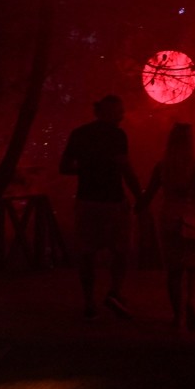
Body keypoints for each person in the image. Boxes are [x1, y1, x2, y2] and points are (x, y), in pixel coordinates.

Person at [59, 94, 143, 321]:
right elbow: (126, 170)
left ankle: (89, 301)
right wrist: (140, 196)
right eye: (118, 111)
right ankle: (114, 293)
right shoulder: (117, 136)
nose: (122, 115)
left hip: (86, 200)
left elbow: (64, 167)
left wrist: (87, 169)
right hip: (113, 202)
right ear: (108, 113)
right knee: (121, 251)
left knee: (87, 253)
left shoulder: (79, 134)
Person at [137, 122, 195, 332]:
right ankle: (191, 301)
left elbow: (149, 194)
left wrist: (138, 208)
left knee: (174, 271)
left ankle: (177, 316)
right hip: (194, 218)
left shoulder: (162, 167)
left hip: (169, 218)